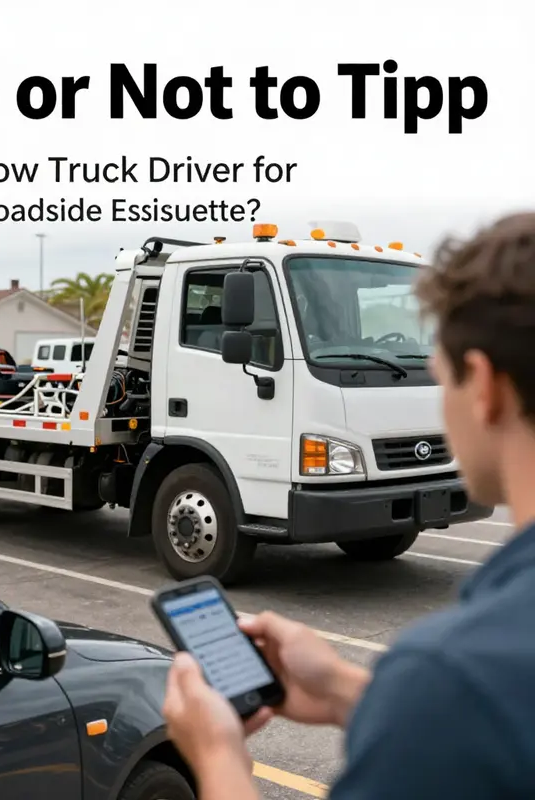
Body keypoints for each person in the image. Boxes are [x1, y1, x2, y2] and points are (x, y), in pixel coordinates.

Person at [162, 212, 535, 799]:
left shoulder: (454, 670)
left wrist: (216, 757)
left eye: (439, 368)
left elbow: (464, 712)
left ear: (484, 388)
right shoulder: (475, 672)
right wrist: (345, 691)